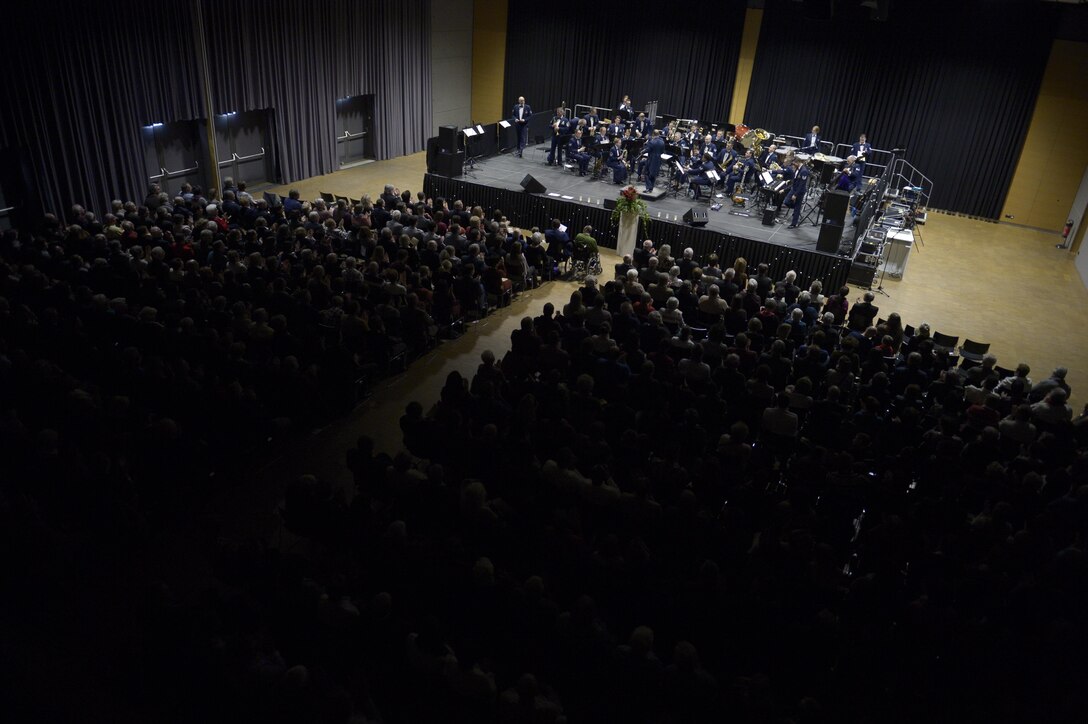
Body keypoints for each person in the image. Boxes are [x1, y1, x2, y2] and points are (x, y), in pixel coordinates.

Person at [785, 160, 810, 229]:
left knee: (797, 207)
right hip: (794, 189)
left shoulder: (804, 171)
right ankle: (796, 209)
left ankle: (793, 223)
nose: (793, 165)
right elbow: (796, 179)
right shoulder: (798, 169)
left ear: (798, 162)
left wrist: (795, 194)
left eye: (795, 163)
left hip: (799, 191)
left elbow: (802, 184)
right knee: (786, 202)